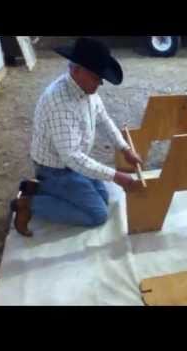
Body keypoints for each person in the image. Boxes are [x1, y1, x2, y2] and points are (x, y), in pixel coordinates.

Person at [10, 37, 142, 237]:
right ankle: (28, 203)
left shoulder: (88, 91)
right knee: (98, 214)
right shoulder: (59, 102)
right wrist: (115, 176)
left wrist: (125, 149)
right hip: (56, 169)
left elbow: (104, 119)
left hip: (71, 165)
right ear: (76, 70)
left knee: (102, 196)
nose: (100, 83)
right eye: (96, 77)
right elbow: (71, 157)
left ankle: (38, 189)